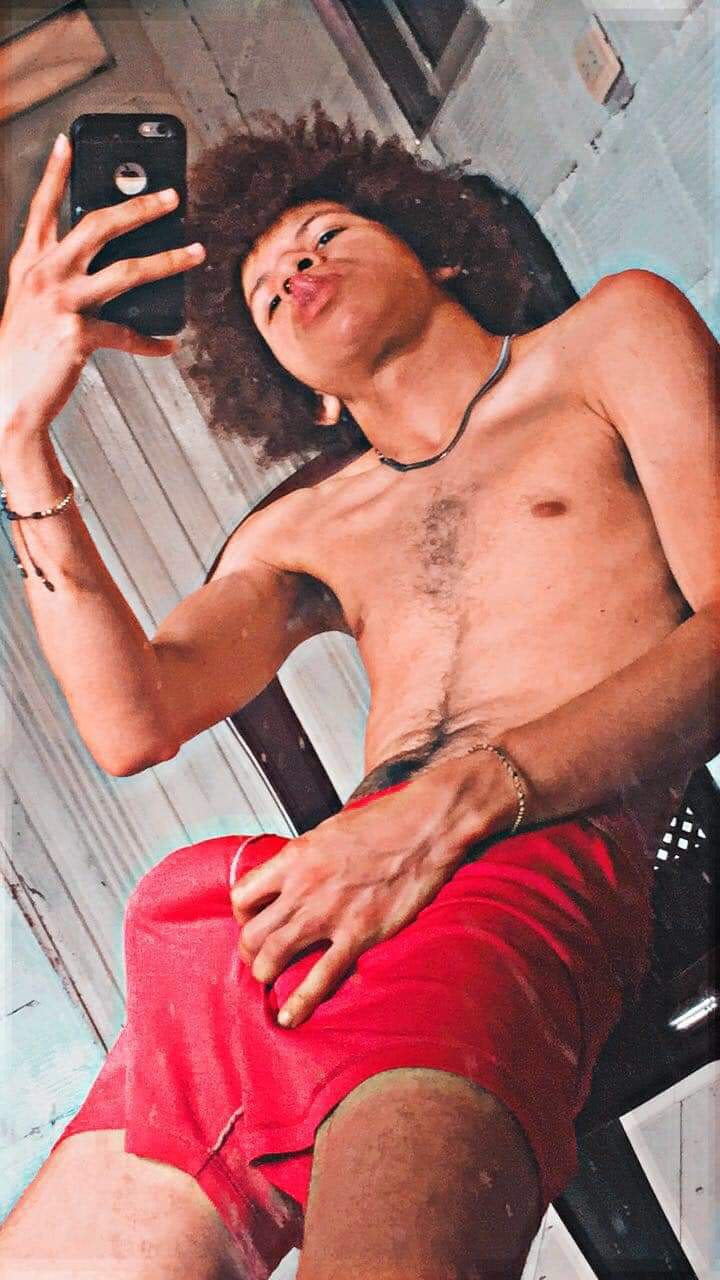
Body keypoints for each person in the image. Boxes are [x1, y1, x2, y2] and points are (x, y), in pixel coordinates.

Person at [0, 107, 717, 1280]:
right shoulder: (304, 525)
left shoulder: (607, 341)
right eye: (264, 288)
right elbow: (132, 720)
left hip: (520, 863)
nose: (294, 266)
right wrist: (20, 437)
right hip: (299, 911)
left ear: (437, 250)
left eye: (324, 232)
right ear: (301, 392)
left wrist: (456, 803)